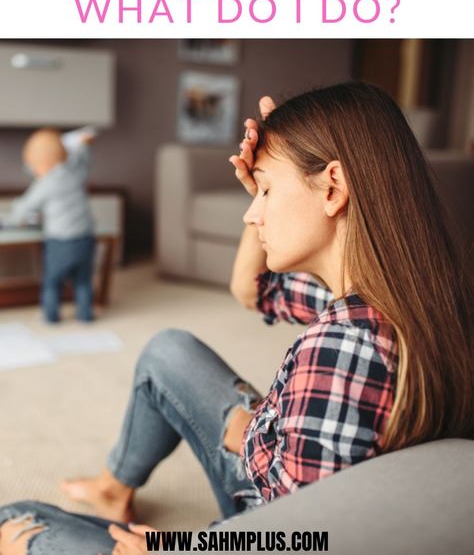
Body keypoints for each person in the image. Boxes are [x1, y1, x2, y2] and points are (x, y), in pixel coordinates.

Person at [1, 82, 472, 555]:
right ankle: (113, 486)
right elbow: (251, 289)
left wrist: (176, 547)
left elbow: (301, 535)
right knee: (169, 350)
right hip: (284, 466)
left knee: (15, 521)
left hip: (264, 522)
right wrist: (262, 181)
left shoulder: (341, 347)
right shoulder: (413, 295)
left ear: (333, 188)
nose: (251, 213)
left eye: (265, 190)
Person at [3, 127, 96, 323]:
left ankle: (51, 316)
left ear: (38, 163)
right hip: (86, 238)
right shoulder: (75, 173)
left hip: (61, 241)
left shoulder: (46, 183)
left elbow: (25, 208)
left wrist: (9, 217)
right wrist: (83, 145)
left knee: (53, 281)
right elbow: (82, 159)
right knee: (83, 280)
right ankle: (85, 315)